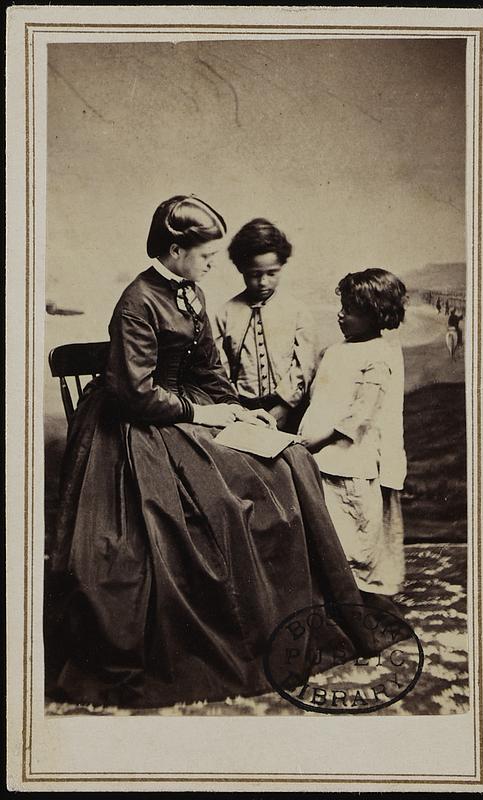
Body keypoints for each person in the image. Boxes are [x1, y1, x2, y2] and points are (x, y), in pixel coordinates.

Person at [47, 199, 407, 710]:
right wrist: (206, 416)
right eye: (207, 255)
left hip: (190, 412)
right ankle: (239, 624)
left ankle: (293, 612)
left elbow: (210, 370)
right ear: (176, 250)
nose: (215, 265)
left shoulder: (190, 291)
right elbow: (136, 393)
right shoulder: (137, 302)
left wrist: (238, 410)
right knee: (216, 507)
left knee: (290, 462)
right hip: (136, 428)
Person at [299, 268, 408, 596]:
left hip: (349, 464)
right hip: (320, 460)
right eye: (342, 305)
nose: (340, 314)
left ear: (376, 315)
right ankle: (337, 601)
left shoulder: (378, 354)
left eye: (351, 309)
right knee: (329, 535)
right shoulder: (337, 350)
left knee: (355, 540)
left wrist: (317, 440)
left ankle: (362, 606)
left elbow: (361, 414)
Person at [214, 218, 318, 432]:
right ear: (241, 268)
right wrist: (237, 409)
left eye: (272, 273)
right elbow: (218, 366)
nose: (263, 282)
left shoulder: (297, 312)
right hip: (242, 410)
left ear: (282, 267)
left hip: (290, 409)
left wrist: (284, 406)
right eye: (254, 275)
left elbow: (304, 365)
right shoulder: (224, 314)